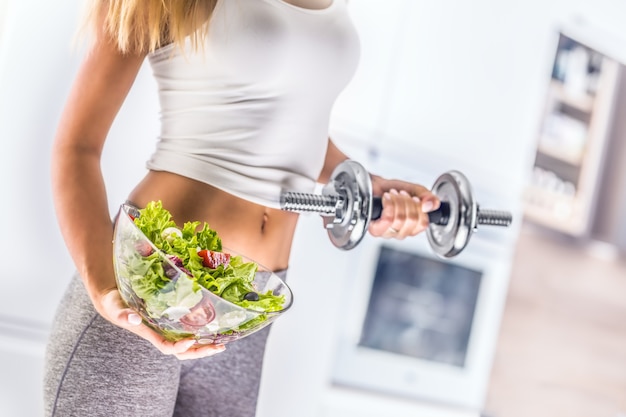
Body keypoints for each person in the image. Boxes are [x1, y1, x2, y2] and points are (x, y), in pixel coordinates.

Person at [43, 0, 440, 416]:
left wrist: (362, 184)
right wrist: (105, 291)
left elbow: (282, 118)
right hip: (151, 291)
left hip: (247, 312)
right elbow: (77, 148)